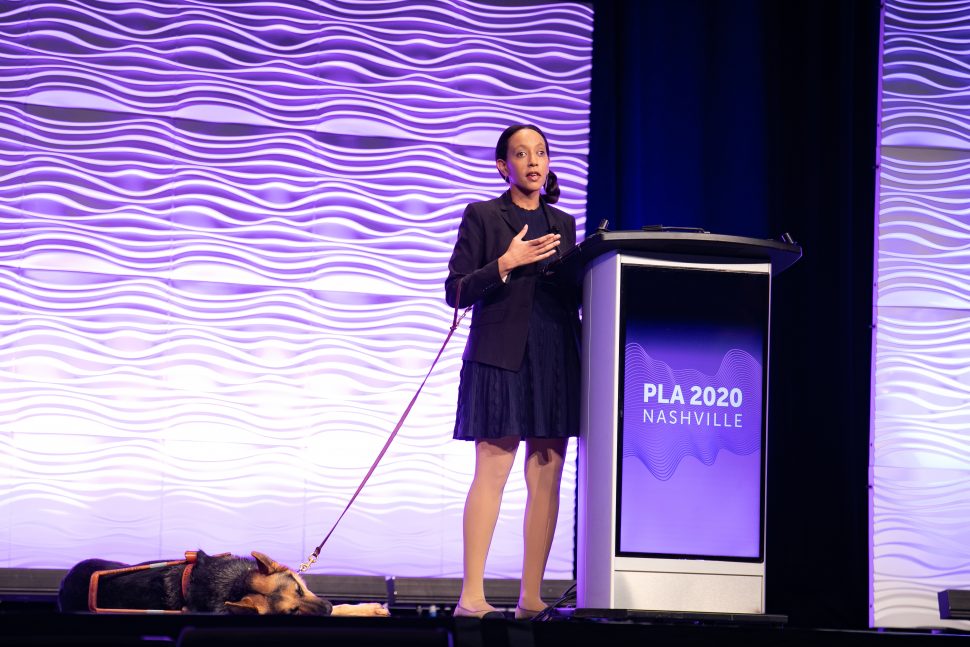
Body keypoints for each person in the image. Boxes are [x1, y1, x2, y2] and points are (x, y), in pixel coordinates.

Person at [444, 124, 581, 620]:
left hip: (555, 356)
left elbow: (571, 293)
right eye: (521, 154)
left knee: (547, 471)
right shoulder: (482, 215)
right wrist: (506, 262)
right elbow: (455, 291)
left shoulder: (563, 223)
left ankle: (530, 598)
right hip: (499, 355)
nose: (533, 161)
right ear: (504, 166)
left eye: (541, 152)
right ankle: (472, 597)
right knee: (494, 469)